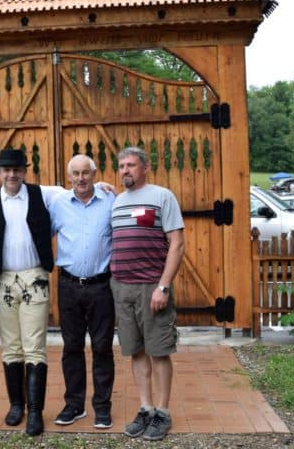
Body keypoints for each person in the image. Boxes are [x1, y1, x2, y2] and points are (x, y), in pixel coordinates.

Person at [0, 148, 65, 436]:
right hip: (2, 280)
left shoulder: (43, 194)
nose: (12, 174)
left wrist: (102, 187)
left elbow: (76, 193)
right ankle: (16, 406)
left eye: (17, 169)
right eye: (6, 170)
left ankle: (35, 411)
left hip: (34, 276)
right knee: (11, 345)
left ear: (25, 171)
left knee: (34, 344)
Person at [110, 146, 185, 442]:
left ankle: (163, 412)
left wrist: (163, 286)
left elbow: (177, 243)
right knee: (136, 350)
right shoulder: (116, 202)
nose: (125, 170)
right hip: (122, 287)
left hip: (152, 287)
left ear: (145, 167)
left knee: (159, 350)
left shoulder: (162, 197)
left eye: (130, 165)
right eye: (121, 166)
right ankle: (146, 407)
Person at [48, 154, 116, 430]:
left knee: (102, 347)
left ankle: (102, 407)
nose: (80, 178)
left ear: (94, 174)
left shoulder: (110, 199)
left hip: (102, 286)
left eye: (85, 173)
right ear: (69, 177)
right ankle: (74, 405)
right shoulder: (58, 204)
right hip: (68, 286)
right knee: (72, 347)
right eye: (75, 174)